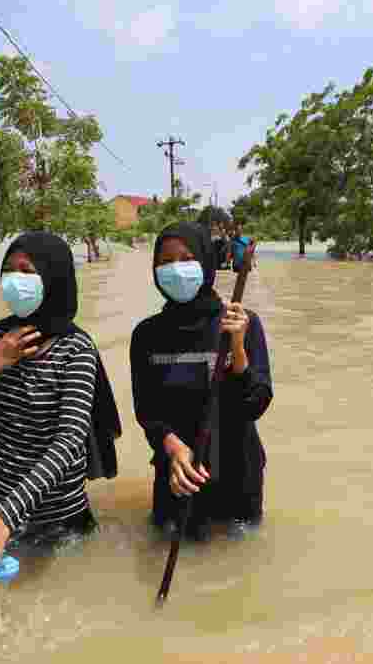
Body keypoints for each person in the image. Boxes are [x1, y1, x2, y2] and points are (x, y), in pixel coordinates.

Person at [0, 232, 121, 558]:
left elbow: (70, 441)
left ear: (52, 276)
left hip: (57, 515)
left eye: (27, 271)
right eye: (9, 270)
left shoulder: (76, 349)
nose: (16, 280)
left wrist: (7, 515)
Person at [129, 223, 273, 541]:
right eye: (165, 261)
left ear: (206, 262)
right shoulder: (146, 334)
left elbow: (255, 404)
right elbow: (146, 410)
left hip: (239, 475)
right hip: (177, 475)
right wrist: (172, 446)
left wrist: (237, 348)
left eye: (186, 257)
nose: (175, 269)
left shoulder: (242, 322)